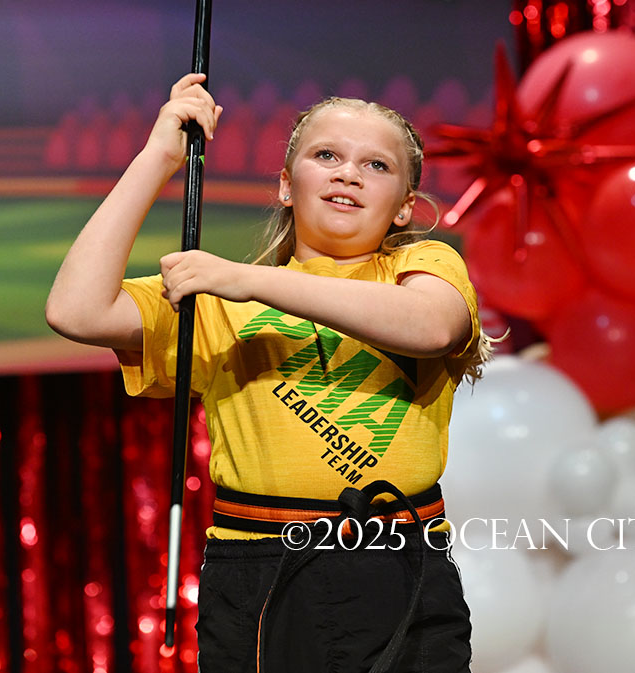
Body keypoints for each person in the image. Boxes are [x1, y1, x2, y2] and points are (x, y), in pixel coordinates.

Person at [45, 72, 492, 673]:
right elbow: (75, 311)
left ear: (405, 207)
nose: (348, 174)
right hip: (258, 570)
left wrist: (245, 279)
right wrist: (159, 158)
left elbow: (432, 327)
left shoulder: (425, 265)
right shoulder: (219, 302)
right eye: (326, 155)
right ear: (285, 185)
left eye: (376, 165)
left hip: (401, 563)